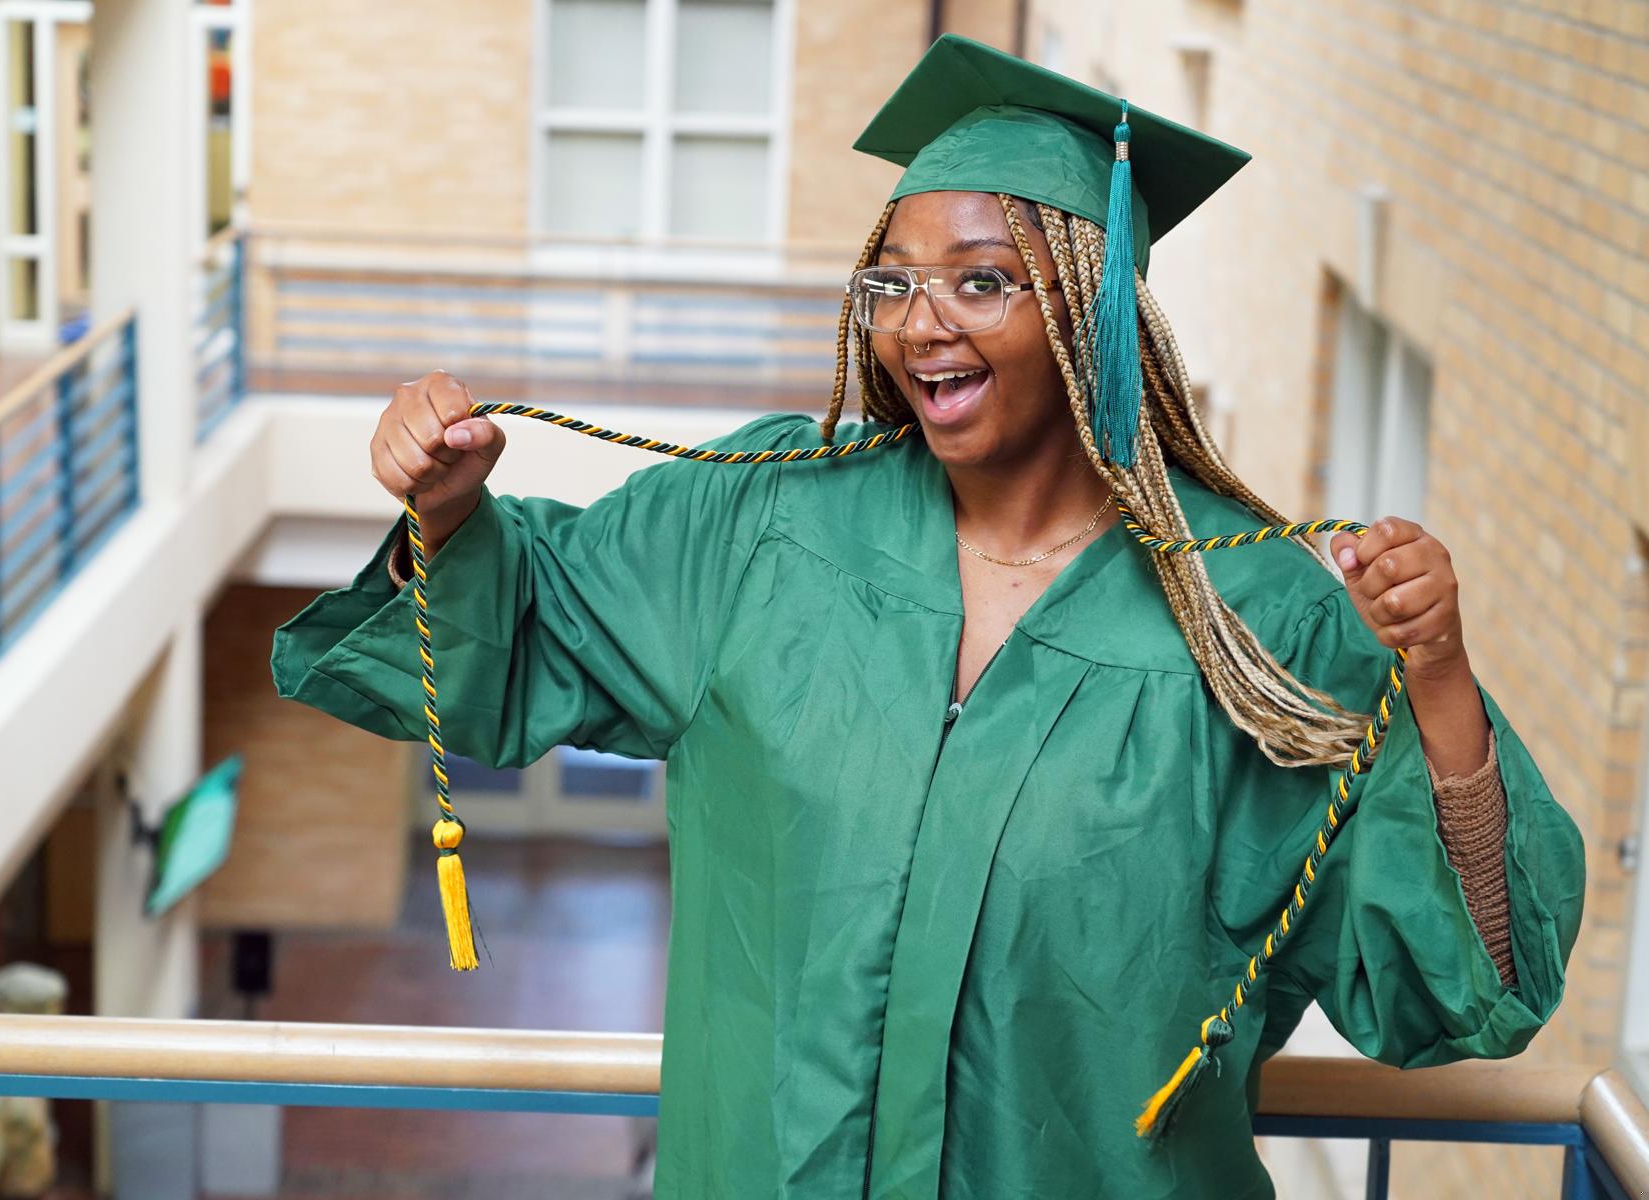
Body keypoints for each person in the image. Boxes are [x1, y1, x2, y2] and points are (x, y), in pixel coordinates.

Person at [271, 35, 1585, 1199]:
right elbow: (521, 631)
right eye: (890, 283)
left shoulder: (1259, 619)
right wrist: (448, 514)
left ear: (1092, 307)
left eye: (980, 280)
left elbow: (1452, 988)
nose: (919, 323)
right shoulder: (767, 521)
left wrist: (1442, 678)